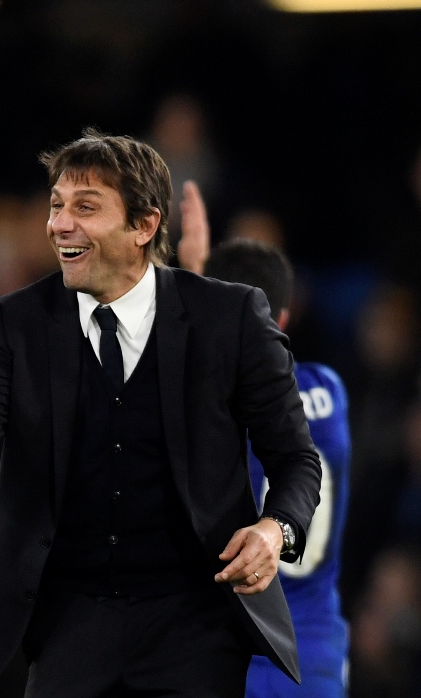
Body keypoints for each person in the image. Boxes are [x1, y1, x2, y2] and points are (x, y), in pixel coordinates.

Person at [0, 128, 322, 697]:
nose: (59, 224)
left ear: (144, 226)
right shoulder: (17, 323)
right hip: (70, 627)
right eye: (56, 206)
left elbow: (295, 457)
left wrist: (277, 530)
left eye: (86, 207)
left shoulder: (229, 317)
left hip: (196, 626)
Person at [193, 238, 351, 698]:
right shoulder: (331, 390)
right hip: (317, 658)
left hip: (234, 659)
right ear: (283, 318)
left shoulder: (210, 411)